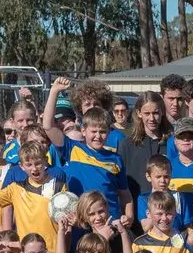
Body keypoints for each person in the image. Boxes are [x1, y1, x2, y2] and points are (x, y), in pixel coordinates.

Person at [43, 78, 132, 224]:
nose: (98, 136)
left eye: (102, 132)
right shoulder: (72, 148)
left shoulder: (116, 159)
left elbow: (125, 193)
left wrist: (129, 215)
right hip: (81, 224)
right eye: (93, 131)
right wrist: (54, 91)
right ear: (83, 131)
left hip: (110, 224)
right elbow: (48, 126)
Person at [119, 91, 170, 200]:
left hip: (166, 207)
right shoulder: (127, 145)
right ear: (139, 113)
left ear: (162, 112)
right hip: (136, 207)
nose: (152, 118)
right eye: (147, 113)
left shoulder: (171, 143)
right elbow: (120, 184)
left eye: (155, 113)